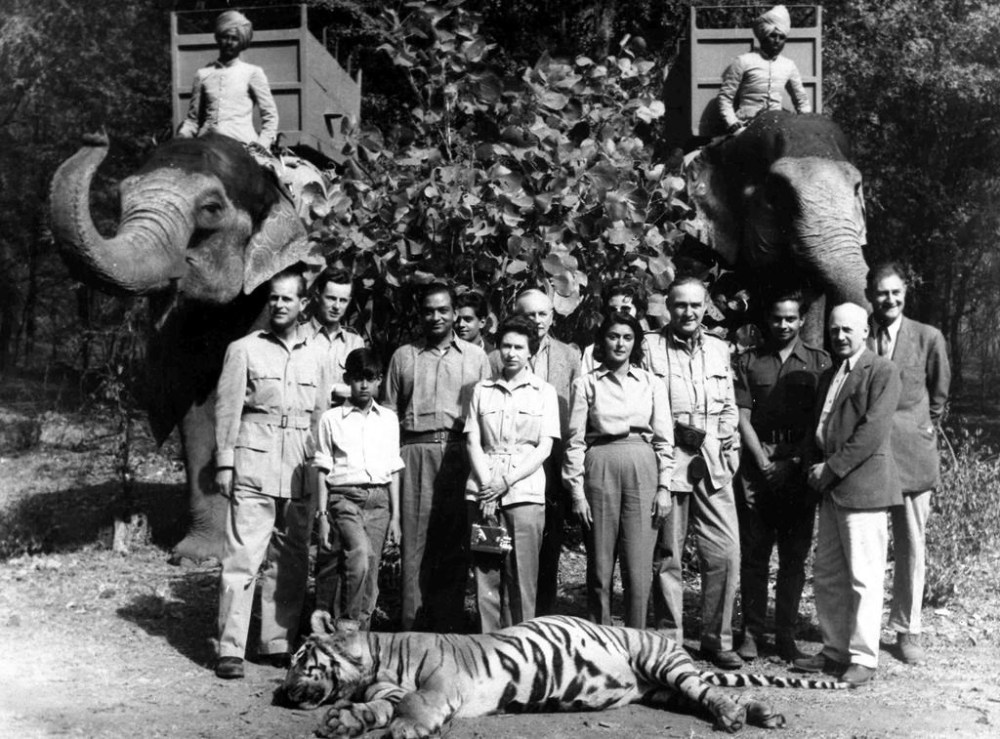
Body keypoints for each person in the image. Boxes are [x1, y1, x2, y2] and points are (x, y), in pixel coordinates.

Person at [213, 269, 329, 679]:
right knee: (243, 557)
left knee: (291, 558)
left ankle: (277, 641)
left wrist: (320, 471)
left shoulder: (319, 355)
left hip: (299, 466)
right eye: (274, 298)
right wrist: (225, 461)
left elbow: (321, 418)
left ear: (303, 304)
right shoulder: (243, 349)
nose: (279, 305)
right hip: (253, 463)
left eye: (288, 299)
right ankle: (230, 648)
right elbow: (227, 408)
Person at [793, 302, 902, 687]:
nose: (839, 336)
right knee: (827, 575)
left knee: (864, 577)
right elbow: (819, 425)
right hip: (830, 490)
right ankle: (835, 650)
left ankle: (863, 657)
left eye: (847, 331)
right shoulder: (830, 374)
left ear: (865, 332)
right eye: (835, 330)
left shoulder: (883, 372)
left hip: (863, 489)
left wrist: (831, 469)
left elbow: (871, 433)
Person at [383, 283, 491, 631]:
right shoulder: (403, 356)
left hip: (461, 453)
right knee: (414, 543)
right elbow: (387, 415)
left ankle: (448, 626)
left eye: (443, 310)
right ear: (420, 313)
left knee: (456, 541)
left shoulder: (476, 358)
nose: (436, 317)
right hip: (415, 450)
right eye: (429, 310)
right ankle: (413, 628)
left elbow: (488, 412)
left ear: (454, 312)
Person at [646, 277, 742, 670]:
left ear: (706, 308)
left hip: (712, 462)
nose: (688, 312)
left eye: (695, 305)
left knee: (725, 551)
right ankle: (670, 640)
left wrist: (727, 447)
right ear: (669, 307)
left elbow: (729, 408)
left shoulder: (719, 349)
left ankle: (717, 640)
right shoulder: (649, 347)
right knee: (668, 553)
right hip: (669, 460)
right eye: (680, 305)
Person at [733, 291, 831, 662]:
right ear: (768, 319)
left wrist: (793, 462)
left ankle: (785, 636)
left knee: (793, 559)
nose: (784, 325)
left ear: (802, 319)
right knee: (755, 557)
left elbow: (819, 420)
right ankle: (752, 633)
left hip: (798, 468)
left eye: (791, 318)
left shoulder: (821, 363)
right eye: (777, 318)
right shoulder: (749, 360)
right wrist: (762, 462)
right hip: (758, 467)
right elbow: (742, 415)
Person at [564, 312, 674, 628]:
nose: (620, 343)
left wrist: (664, 486)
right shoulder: (585, 383)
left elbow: (665, 439)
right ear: (602, 341)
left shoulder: (652, 383)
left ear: (636, 342)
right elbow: (575, 440)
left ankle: (635, 639)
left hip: (643, 466)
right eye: (613, 336)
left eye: (627, 337)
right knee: (600, 564)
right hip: (600, 465)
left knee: (638, 566)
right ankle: (600, 639)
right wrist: (577, 491)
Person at [865, 262, 951, 665]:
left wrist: (923, 427)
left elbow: (939, 394)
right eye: (883, 292)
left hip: (913, 455)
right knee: (867, 543)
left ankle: (907, 629)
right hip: (868, 454)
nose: (890, 299)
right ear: (871, 294)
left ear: (905, 294)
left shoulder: (928, 337)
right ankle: (860, 628)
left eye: (896, 292)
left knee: (911, 544)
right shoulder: (857, 333)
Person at [464, 316, 559, 632]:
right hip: (484, 492)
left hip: (524, 493)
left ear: (531, 351)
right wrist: (487, 485)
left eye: (519, 347)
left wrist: (505, 482)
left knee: (521, 577)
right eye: (506, 345)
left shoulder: (544, 392)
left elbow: (544, 447)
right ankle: (488, 647)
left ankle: (520, 647)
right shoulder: (482, 390)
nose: (511, 353)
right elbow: (474, 440)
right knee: (487, 575)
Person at [490, 288, 581, 616]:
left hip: (552, 456)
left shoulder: (569, 356)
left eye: (543, 314)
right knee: (505, 540)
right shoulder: (499, 355)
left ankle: (541, 618)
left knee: (548, 540)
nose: (537, 321)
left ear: (553, 316)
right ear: (517, 317)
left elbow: (576, 412)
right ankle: (505, 618)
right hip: (511, 457)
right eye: (529, 315)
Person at [313, 348, 403, 629]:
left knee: (370, 572)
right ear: (347, 380)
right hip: (345, 499)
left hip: (379, 502)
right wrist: (322, 515)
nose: (364, 385)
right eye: (357, 378)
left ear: (379, 381)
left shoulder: (388, 419)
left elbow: (393, 469)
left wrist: (396, 517)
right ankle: (347, 625)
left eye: (370, 378)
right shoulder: (332, 419)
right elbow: (323, 467)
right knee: (359, 556)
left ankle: (358, 640)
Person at [177, 10, 278, 151]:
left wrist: (263, 143)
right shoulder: (203, 74)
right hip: (206, 145)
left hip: (243, 145)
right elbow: (193, 120)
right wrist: (182, 136)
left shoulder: (252, 72)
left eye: (235, 38)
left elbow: (270, 115)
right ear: (218, 38)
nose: (229, 42)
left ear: (242, 41)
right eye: (225, 37)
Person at [716, 5, 811, 135]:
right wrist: (733, 124)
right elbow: (725, 98)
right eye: (773, 36)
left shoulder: (789, 65)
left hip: (778, 125)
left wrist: (806, 126)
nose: (777, 41)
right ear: (763, 36)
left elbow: (802, 101)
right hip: (747, 126)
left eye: (782, 37)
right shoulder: (743, 61)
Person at [307, 269, 366, 404]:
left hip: (342, 420)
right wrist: (333, 389)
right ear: (317, 296)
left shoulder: (355, 343)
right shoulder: (297, 336)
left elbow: (363, 390)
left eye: (343, 300)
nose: (337, 306)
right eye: (331, 298)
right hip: (305, 419)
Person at [580, 279, 652, 373]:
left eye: (625, 310)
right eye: (612, 310)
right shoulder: (591, 352)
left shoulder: (651, 348)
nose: (618, 315)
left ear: (639, 312)